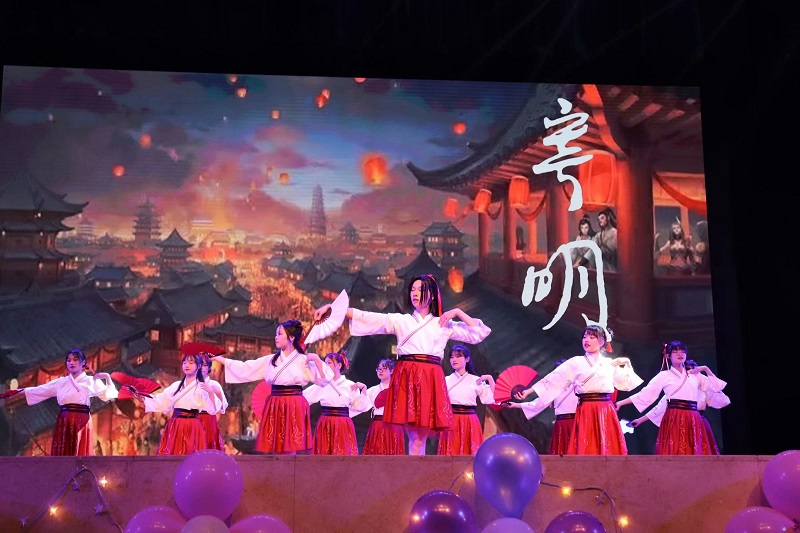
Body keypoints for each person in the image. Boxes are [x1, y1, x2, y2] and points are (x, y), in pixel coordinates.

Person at [314, 274, 491, 456]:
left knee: (420, 437)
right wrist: (333, 310)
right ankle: (413, 469)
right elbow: (369, 318)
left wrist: (458, 312)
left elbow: (479, 332)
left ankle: (417, 470)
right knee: (413, 435)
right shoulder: (401, 320)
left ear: (431, 295)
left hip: (429, 378)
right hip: (407, 376)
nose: (415, 293)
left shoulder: (443, 324)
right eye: (412, 289)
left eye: (420, 290)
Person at [515, 325, 642, 455]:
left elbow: (627, 384)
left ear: (602, 342)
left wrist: (628, 364)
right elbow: (554, 378)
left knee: (607, 447)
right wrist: (529, 391)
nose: (587, 340)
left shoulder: (609, 364)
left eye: (592, 337)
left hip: (605, 408)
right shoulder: (576, 362)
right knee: (586, 447)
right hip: (586, 408)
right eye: (585, 337)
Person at [212, 319, 332, 455]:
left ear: (291, 337)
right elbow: (246, 367)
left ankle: (290, 466)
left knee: (291, 445)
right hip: (275, 403)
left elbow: (324, 380)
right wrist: (219, 358)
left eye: (280, 334)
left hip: (294, 403)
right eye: (276, 334)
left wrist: (316, 360)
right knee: (277, 446)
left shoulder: (304, 361)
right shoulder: (271, 360)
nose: (276, 337)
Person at [615, 341, 726, 455]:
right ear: (668, 356)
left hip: (693, 416)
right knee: (674, 450)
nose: (680, 353)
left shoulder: (695, 375)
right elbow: (645, 394)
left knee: (693, 450)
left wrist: (706, 369)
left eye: (683, 351)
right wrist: (620, 403)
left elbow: (716, 387)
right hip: (674, 416)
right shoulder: (664, 375)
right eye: (675, 351)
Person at [4, 349, 117, 456]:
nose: (71, 363)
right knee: (63, 452)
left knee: (81, 452)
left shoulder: (91, 381)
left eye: (75, 360)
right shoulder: (61, 382)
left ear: (83, 363)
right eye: (69, 360)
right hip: (65, 419)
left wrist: (107, 378)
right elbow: (40, 390)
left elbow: (111, 395)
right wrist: (15, 392)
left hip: (82, 418)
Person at [132, 353, 218, 455]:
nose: (187, 365)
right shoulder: (176, 386)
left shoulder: (202, 388)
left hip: (193, 426)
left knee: (191, 455)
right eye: (185, 363)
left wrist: (210, 393)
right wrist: (144, 399)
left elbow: (211, 409)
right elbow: (162, 399)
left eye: (191, 363)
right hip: (176, 424)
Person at [507, 358, 578, 455]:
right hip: (562, 424)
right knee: (561, 453)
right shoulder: (554, 389)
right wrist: (516, 405)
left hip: (577, 422)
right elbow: (538, 404)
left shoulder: (579, 386)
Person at [304, 351, 367, 455]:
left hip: (343, 423)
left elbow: (360, 406)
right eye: (325, 363)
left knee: (343, 454)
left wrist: (364, 389)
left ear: (339, 365)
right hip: (326, 422)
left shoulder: (349, 385)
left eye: (329, 363)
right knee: (324, 454)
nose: (326, 366)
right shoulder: (321, 384)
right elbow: (304, 398)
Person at [437, 345, 495, 456]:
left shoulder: (476, 380)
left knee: (470, 455)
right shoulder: (446, 380)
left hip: (470, 420)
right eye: (452, 357)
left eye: (458, 356)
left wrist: (490, 379)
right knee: (450, 455)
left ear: (467, 359)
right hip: (451, 419)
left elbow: (494, 398)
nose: (454, 359)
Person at [353, 359, 405, 455]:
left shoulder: (399, 390)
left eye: (384, 369)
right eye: (379, 369)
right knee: (376, 454)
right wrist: (363, 389)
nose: (381, 371)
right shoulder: (372, 390)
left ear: (392, 371)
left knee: (394, 456)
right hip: (378, 425)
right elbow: (360, 407)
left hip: (394, 425)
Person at [198, 352, 228, 451]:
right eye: (199, 364)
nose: (201, 367)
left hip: (208, 420)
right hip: (193, 419)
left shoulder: (214, 384)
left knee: (209, 449)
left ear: (209, 368)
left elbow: (222, 408)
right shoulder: (189, 385)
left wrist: (217, 393)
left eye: (204, 365)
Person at [577, 207, 618, 272]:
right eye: (599, 219)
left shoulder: (615, 233)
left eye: (602, 218)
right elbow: (591, 252)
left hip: (612, 267)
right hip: (600, 267)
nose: (600, 220)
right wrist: (579, 263)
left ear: (608, 218)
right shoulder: (598, 236)